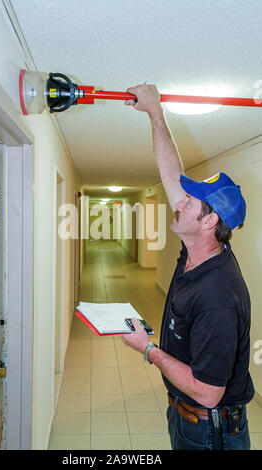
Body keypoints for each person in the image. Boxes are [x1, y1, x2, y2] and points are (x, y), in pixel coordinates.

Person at [121, 84, 254, 450]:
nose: (179, 200)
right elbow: (171, 173)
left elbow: (209, 394)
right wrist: (155, 112)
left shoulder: (219, 296)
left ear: (210, 221)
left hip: (211, 431)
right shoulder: (197, 248)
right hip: (186, 417)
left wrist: (147, 349)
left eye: (191, 201)